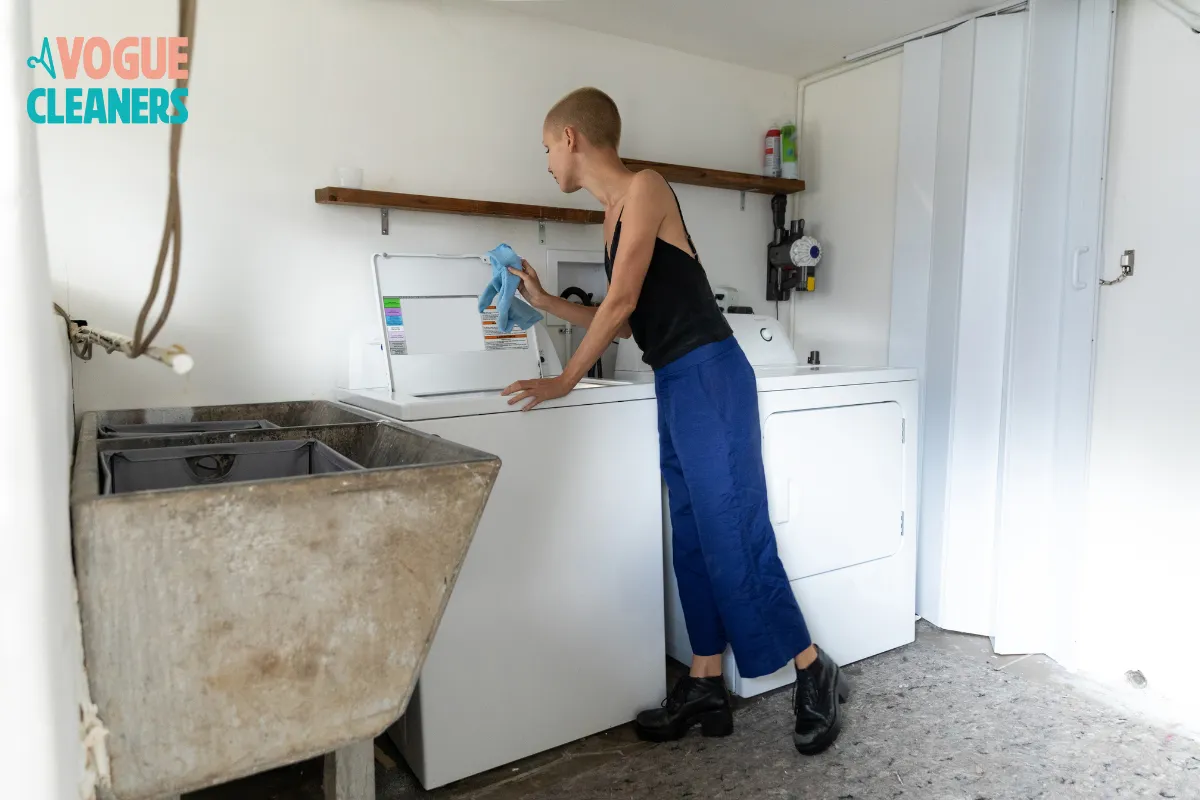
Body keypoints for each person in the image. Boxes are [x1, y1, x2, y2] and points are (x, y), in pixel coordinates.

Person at [501, 87, 847, 755]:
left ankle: (813, 669)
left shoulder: (646, 188)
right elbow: (625, 318)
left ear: (571, 137)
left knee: (733, 532)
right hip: (674, 381)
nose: (546, 162)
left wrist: (564, 380)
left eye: (547, 148)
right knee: (691, 538)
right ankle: (706, 685)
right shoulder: (608, 220)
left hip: (712, 377)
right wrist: (544, 302)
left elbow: (623, 295)